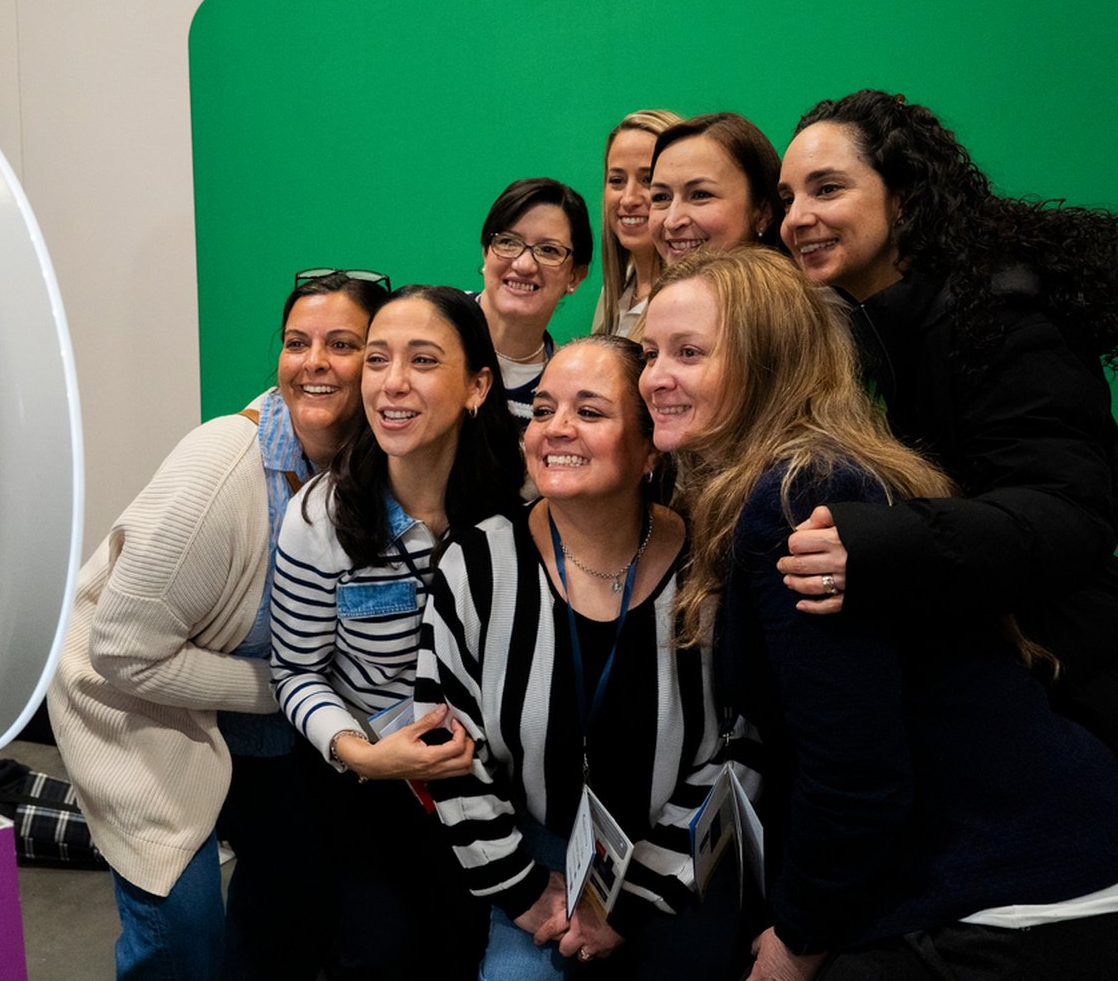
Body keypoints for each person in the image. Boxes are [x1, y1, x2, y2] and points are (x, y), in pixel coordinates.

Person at [639, 244, 1118, 980]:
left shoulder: (795, 497)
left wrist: (797, 942)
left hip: (1012, 898)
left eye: (690, 353)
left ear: (767, 362)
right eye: (650, 353)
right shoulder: (816, 470)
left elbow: (856, 777)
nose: (657, 377)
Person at [48, 270, 389, 980]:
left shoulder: (361, 467)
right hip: (132, 701)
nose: (313, 362)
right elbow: (120, 652)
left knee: (298, 884)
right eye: (297, 343)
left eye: (342, 344)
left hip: (236, 699)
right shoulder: (223, 468)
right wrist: (285, 686)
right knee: (182, 928)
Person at [773, 89, 1118, 751]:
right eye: (788, 199)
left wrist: (877, 542)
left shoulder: (1004, 316)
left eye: (827, 189)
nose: (799, 218)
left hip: (1069, 699)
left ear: (901, 198)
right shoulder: (869, 334)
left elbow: (1068, 515)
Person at [416, 335, 756, 979]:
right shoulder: (479, 563)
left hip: (679, 855)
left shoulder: (713, 566)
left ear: (651, 446)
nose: (556, 430)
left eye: (591, 412)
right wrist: (520, 889)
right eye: (543, 410)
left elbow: (743, 746)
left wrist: (637, 898)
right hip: (530, 851)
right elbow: (443, 742)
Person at [271, 284, 525, 978]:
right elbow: (295, 672)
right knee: (382, 951)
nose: (392, 384)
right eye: (378, 360)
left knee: (472, 946)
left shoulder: (520, 504)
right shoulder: (319, 518)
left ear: (477, 386)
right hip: (371, 787)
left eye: (421, 360)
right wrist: (363, 756)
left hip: (495, 784)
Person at [473, 178, 594, 423]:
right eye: (508, 242)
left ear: (575, 277)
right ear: (486, 252)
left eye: (549, 250)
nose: (523, 265)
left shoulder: (565, 390)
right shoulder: (432, 326)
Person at [649, 112, 785, 264]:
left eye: (700, 195)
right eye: (661, 197)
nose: (672, 221)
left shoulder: (794, 288)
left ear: (763, 212)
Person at [593, 110, 682, 338]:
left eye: (648, 180)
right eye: (617, 180)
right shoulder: (614, 293)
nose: (629, 199)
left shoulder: (687, 298)